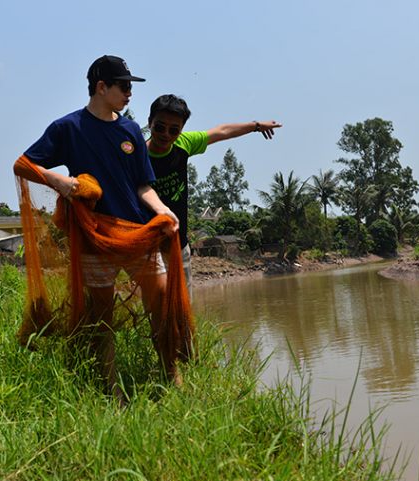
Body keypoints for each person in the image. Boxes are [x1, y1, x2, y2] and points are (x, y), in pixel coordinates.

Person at [18, 56, 181, 396]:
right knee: (101, 315)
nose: (129, 93)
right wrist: (59, 182)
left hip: (136, 232)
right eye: (124, 86)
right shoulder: (68, 128)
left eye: (130, 86)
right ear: (101, 87)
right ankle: (110, 387)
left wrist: (163, 210)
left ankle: (170, 374)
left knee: (163, 299)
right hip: (94, 237)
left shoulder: (131, 130)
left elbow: (142, 185)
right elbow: (24, 164)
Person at [146, 94, 282, 292]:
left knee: (183, 309)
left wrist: (256, 126)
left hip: (179, 245)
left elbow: (222, 131)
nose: (166, 134)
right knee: (156, 304)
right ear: (150, 123)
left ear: (181, 130)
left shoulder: (183, 144)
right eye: (160, 127)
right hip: (149, 247)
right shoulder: (137, 154)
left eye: (174, 130)